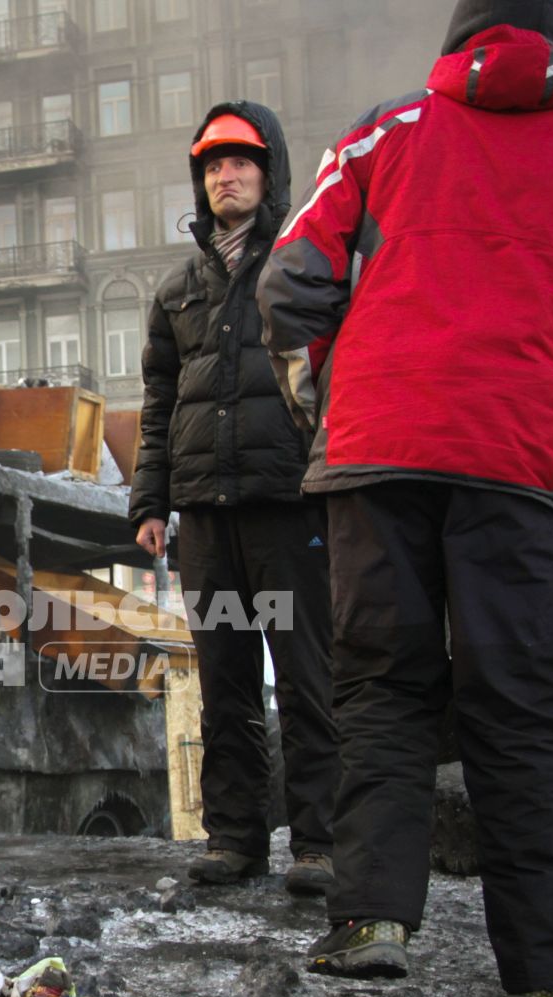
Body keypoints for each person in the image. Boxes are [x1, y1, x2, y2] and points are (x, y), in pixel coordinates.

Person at [258, 0, 553, 997]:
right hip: (517, 460)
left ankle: (368, 916)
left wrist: (326, 410)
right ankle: (549, 962)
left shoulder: (384, 134)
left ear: (460, 38)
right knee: (517, 708)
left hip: (377, 454)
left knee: (379, 684)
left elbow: (291, 288)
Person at [129, 104, 339, 898]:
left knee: (307, 676)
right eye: (213, 164)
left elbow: (335, 381)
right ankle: (236, 836)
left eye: (241, 162)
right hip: (206, 524)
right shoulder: (178, 288)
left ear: (270, 173)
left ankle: (319, 842)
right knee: (224, 681)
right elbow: (158, 404)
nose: (226, 175)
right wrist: (151, 501)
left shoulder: (301, 267)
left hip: (288, 513)